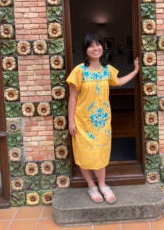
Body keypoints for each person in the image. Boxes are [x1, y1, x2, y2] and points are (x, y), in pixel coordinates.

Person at [66, 33, 140, 204]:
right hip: (82, 121)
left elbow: (119, 82)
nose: (96, 48)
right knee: (84, 154)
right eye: (91, 45)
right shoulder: (78, 71)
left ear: (102, 48)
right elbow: (72, 98)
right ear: (86, 51)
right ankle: (91, 186)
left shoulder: (107, 70)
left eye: (98, 44)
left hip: (102, 122)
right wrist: (71, 121)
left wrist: (135, 71)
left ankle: (102, 184)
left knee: (100, 153)